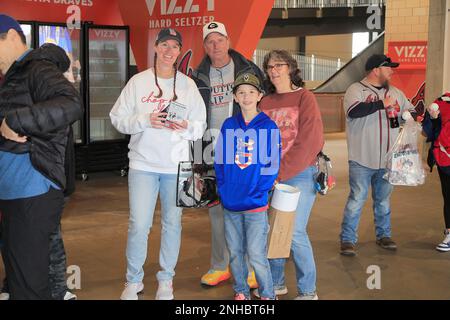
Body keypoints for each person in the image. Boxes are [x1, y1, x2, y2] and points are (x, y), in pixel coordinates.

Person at [110, 28, 206, 300]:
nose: (168, 51)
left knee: (172, 224)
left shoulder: (188, 86)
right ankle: (133, 280)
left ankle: (166, 280)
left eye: (174, 47)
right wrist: (144, 120)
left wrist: (185, 126)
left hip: (176, 167)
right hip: (143, 165)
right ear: (155, 47)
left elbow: (200, 127)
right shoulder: (138, 82)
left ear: (179, 52)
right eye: (164, 45)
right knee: (139, 224)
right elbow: (117, 118)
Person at [0, 14, 82, 299]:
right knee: (20, 278)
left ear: (12, 36)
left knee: (29, 285)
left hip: (33, 190)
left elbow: (71, 104)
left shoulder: (36, 67)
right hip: (15, 194)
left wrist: (15, 121)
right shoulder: (12, 76)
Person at [191, 21, 265, 288]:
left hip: (242, 146)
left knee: (248, 206)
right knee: (217, 212)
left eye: (219, 39)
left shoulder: (248, 69)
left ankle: (251, 267)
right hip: (211, 147)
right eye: (210, 41)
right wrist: (197, 159)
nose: (215, 45)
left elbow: (264, 105)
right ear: (205, 47)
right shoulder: (197, 75)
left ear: (228, 41)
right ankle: (220, 266)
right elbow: (192, 117)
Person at [258, 50, 324, 300]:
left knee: (294, 231)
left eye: (279, 65)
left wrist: (280, 172)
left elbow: (310, 141)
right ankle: (276, 283)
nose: (273, 70)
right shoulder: (264, 101)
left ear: (291, 68)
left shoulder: (304, 97)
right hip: (269, 174)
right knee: (273, 230)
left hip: (299, 173)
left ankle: (308, 291)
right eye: (269, 66)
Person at [339, 54, 416, 257]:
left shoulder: (396, 92)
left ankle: (384, 235)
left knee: (383, 200)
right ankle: (347, 239)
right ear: (376, 69)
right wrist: (382, 103)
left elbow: (411, 110)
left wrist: (410, 116)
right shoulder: (356, 90)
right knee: (356, 199)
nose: (392, 70)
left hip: (388, 159)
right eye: (388, 67)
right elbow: (354, 111)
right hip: (361, 158)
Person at [215, 72, 280, 300]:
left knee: (256, 254)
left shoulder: (268, 126)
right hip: (231, 202)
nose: (246, 96)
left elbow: (272, 165)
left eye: (251, 92)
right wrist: (223, 189)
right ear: (234, 97)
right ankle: (241, 290)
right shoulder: (228, 125)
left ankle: (268, 294)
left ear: (260, 95)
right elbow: (221, 160)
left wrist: (260, 191)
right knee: (235, 252)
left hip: (255, 203)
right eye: (241, 92)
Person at [422, 92, 450, 252]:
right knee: (449, 196)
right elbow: (428, 132)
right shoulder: (441, 102)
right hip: (445, 158)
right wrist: (433, 118)